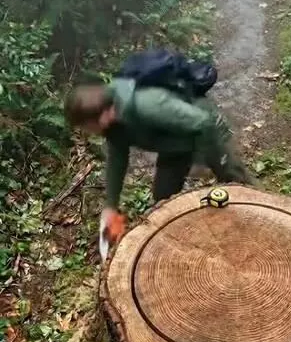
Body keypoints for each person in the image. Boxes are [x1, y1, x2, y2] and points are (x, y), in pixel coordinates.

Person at [64, 77, 253, 236]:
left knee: (238, 184)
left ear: (101, 115)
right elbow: (117, 160)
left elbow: (204, 122)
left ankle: (259, 219)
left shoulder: (147, 105)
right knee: (163, 202)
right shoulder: (112, 126)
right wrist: (111, 205)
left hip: (207, 130)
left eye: (86, 126)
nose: (88, 132)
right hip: (174, 143)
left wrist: (199, 160)